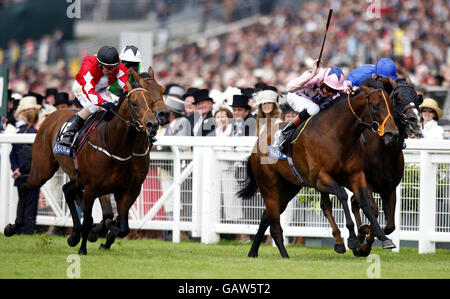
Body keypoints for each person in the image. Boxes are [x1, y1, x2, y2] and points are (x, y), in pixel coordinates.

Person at [59, 46, 129, 147]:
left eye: (114, 67)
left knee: (118, 103)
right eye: (108, 68)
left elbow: (127, 86)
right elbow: (90, 92)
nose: (111, 70)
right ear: (100, 65)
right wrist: (103, 103)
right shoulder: (89, 64)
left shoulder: (118, 66)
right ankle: (69, 133)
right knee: (94, 106)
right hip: (83, 88)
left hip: (101, 90)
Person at [276, 61, 349, 151]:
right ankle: (286, 131)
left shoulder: (340, 86)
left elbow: (348, 87)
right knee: (314, 109)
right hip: (296, 96)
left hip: (315, 103)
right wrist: (311, 75)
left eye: (335, 91)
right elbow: (289, 88)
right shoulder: (314, 76)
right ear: (322, 81)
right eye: (329, 89)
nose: (330, 93)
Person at [9, 96, 41, 234]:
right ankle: (28, 228)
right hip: (31, 173)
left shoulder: (18, 133)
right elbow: (35, 157)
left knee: (21, 202)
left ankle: (19, 227)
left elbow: (12, 155)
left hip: (19, 173)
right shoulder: (37, 134)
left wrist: (16, 169)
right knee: (31, 202)